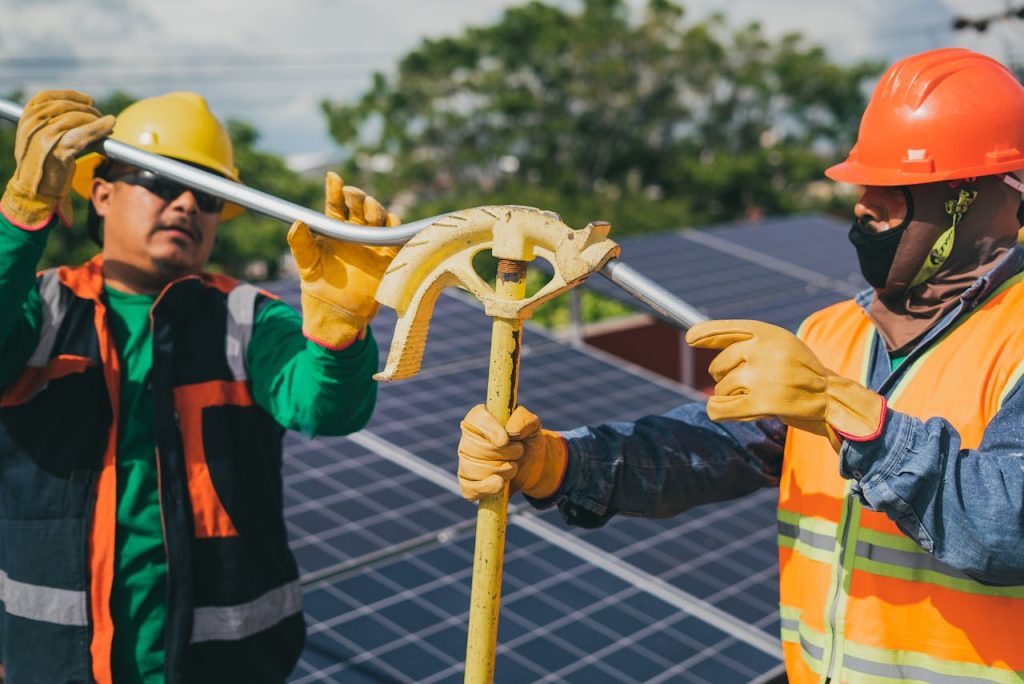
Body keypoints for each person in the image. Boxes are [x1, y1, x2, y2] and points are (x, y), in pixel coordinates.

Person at [457, 47, 1024, 682]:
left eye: (892, 192)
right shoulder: (831, 333)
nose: (863, 205)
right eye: (864, 184)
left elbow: (1006, 526)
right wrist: (557, 463)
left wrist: (840, 406)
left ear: (969, 202)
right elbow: (719, 447)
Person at [0, 90, 398, 683]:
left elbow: (326, 408)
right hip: (53, 668)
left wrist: (341, 332)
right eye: (161, 180)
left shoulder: (250, 319)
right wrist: (20, 218)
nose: (187, 202)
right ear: (101, 193)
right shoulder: (40, 310)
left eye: (208, 194)